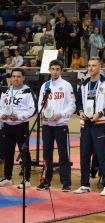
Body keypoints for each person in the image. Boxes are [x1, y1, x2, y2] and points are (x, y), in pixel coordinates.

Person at [74, 57, 105, 196]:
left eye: (94, 65)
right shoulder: (83, 84)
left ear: (99, 68)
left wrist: (100, 113)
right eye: (89, 65)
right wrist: (80, 111)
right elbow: (78, 103)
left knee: (102, 155)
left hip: (100, 124)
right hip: (85, 124)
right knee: (84, 155)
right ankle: (84, 184)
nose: (90, 68)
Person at [36, 60, 76, 191]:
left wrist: (60, 114)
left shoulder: (66, 85)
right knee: (47, 154)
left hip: (60, 124)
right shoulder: (45, 85)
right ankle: (46, 181)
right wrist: (41, 113)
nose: (55, 71)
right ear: (49, 70)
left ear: (61, 71)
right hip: (47, 125)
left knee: (63, 154)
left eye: (57, 69)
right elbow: (40, 104)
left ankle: (66, 183)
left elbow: (72, 105)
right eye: (52, 69)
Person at [0, 68, 36, 188]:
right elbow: (0, 107)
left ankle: (26, 180)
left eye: (18, 76)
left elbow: (33, 110)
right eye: (13, 76)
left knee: (24, 153)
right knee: (7, 153)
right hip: (7, 125)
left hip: (21, 125)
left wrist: (19, 117)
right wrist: (2, 115)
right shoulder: (5, 91)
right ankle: (7, 178)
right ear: (11, 77)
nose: (15, 78)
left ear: (23, 77)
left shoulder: (28, 91)